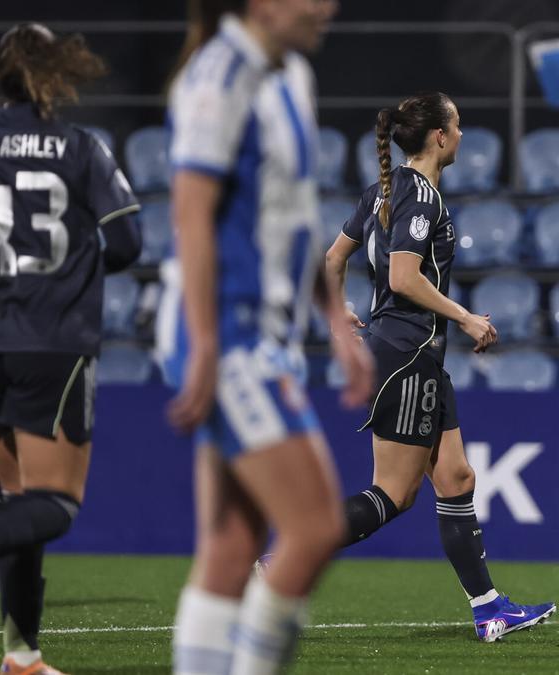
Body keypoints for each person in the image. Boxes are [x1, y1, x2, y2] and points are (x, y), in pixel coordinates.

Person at [157, 1, 375, 673]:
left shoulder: (293, 77)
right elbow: (190, 215)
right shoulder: (216, 77)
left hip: (262, 333)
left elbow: (296, 215)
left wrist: (333, 317)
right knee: (314, 528)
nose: (326, 6)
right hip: (228, 335)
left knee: (228, 550)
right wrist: (205, 345)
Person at [322, 92, 556, 642]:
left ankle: (489, 609)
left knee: (456, 478)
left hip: (411, 356)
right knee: (394, 494)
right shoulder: (421, 197)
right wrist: (467, 317)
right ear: (440, 137)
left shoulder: (386, 188)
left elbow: (333, 259)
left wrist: (338, 323)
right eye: (457, 123)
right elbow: (403, 277)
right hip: (408, 356)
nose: (461, 132)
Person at [0, 23, 142, 675]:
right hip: (52, 341)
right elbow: (128, 243)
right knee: (56, 503)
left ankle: (21, 654)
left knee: (17, 493)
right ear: (56, 74)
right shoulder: (81, 147)